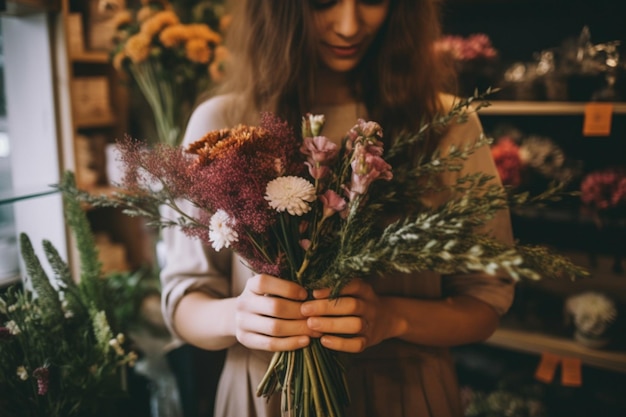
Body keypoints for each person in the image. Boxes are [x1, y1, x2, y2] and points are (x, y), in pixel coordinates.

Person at [160, 0, 515, 416]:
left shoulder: (447, 124)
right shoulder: (222, 123)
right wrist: (237, 317)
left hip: (405, 395)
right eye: (322, 2)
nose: (349, 25)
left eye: (372, 0)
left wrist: (392, 318)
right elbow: (183, 302)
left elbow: (485, 303)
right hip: (266, 396)